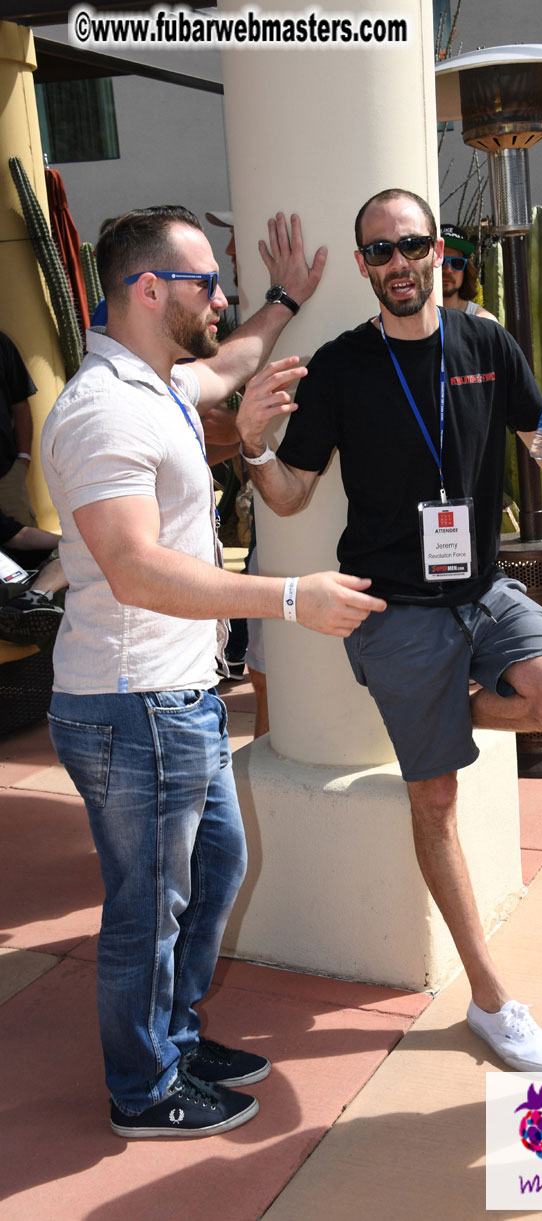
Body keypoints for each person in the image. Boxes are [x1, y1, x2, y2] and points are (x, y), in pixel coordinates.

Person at [236, 187, 542, 1072]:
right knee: (433, 798)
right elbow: (288, 493)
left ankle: (430, 713)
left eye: (410, 245)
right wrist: (250, 444)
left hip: (481, 591)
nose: (396, 264)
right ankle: (490, 998)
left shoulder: (483, 341)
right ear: (363, 266)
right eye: (378, 252)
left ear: (439, 250)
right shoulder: (339, 365)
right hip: (395, 605)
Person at [40, 205, 385, 1139]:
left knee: (215, 866)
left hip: (174, 699)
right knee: (147, 906)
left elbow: (228, 363)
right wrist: (285, 599)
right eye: (208, 284)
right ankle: (143, 1087)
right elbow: (134, 567)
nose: (222, 298)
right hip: (131, 703)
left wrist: (282, 300)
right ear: (149, 290)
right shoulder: (105, 408)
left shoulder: (154, 381)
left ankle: (176, 1037)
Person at [0, 508, 66, 647]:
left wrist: (71, 543)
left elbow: (21, 536)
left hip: (28, 581)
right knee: (67, 600)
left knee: (76, 555)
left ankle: (32, 600)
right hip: (10, 595)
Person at [0, 330, 37, 526]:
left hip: (6, 476)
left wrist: (24, 459)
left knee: (26, 552)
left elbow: (21, 405)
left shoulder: (2, 343)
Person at [440, 223, 498, 322]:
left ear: (466, 269)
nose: (448, 269)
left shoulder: (483, 322)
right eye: (441, 261)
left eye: (457, 263)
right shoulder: (410, 320)